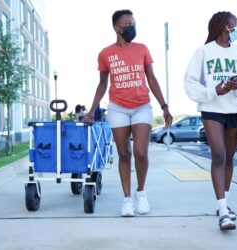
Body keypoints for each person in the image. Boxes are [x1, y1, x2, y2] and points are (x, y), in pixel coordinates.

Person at [85, 9, 172, 217]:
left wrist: (164, 106)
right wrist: (92, 109)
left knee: (141, 152)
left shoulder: (142, 49)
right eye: (128, 25)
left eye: (133, 23)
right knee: (124, 154)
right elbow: (102, 84)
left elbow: (151, 79)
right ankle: (127, 200)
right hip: (117, 108)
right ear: (117, 29)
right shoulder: (105, 54)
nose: (132, 28)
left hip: (142, 106)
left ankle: (141, 193)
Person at [184, 11, 237, 230]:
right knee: (219, 156)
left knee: (230, 159)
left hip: (234, 110)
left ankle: (225, 202)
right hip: (211, 110)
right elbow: (190, 84)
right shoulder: (203, 52)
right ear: (225, 25)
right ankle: (223, 211)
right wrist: (214, 90)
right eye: (236, 22)